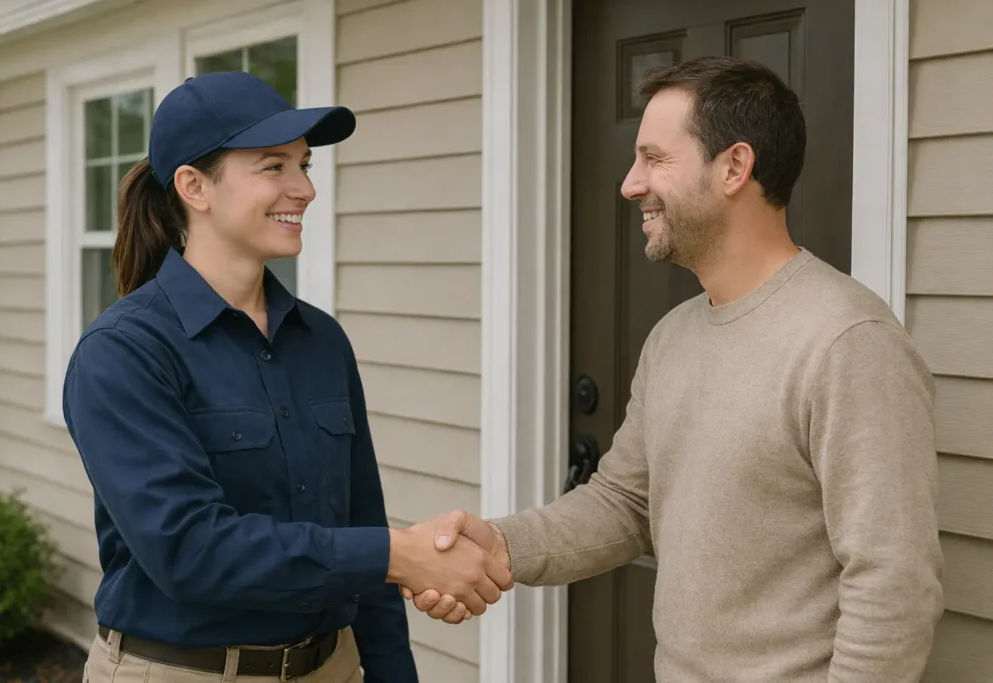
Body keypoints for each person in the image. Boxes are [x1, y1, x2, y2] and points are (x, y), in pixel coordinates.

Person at [402, 56, 945, 682]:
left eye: (654, 159)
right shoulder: (673, 336)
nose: (631, 185)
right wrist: (500, 545)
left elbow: (893, 584)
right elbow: (625, 503)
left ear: (734, 167)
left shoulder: (848, 342)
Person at [61, 71, 512, 683]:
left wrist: (392, 660)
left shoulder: (322, 341)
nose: (304, 188)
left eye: (304, 165)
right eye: (274, 166)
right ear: (194, 186)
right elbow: (190, 551)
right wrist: (398, 554)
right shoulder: (123, 352)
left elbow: (362, 522)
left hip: (331, 666)